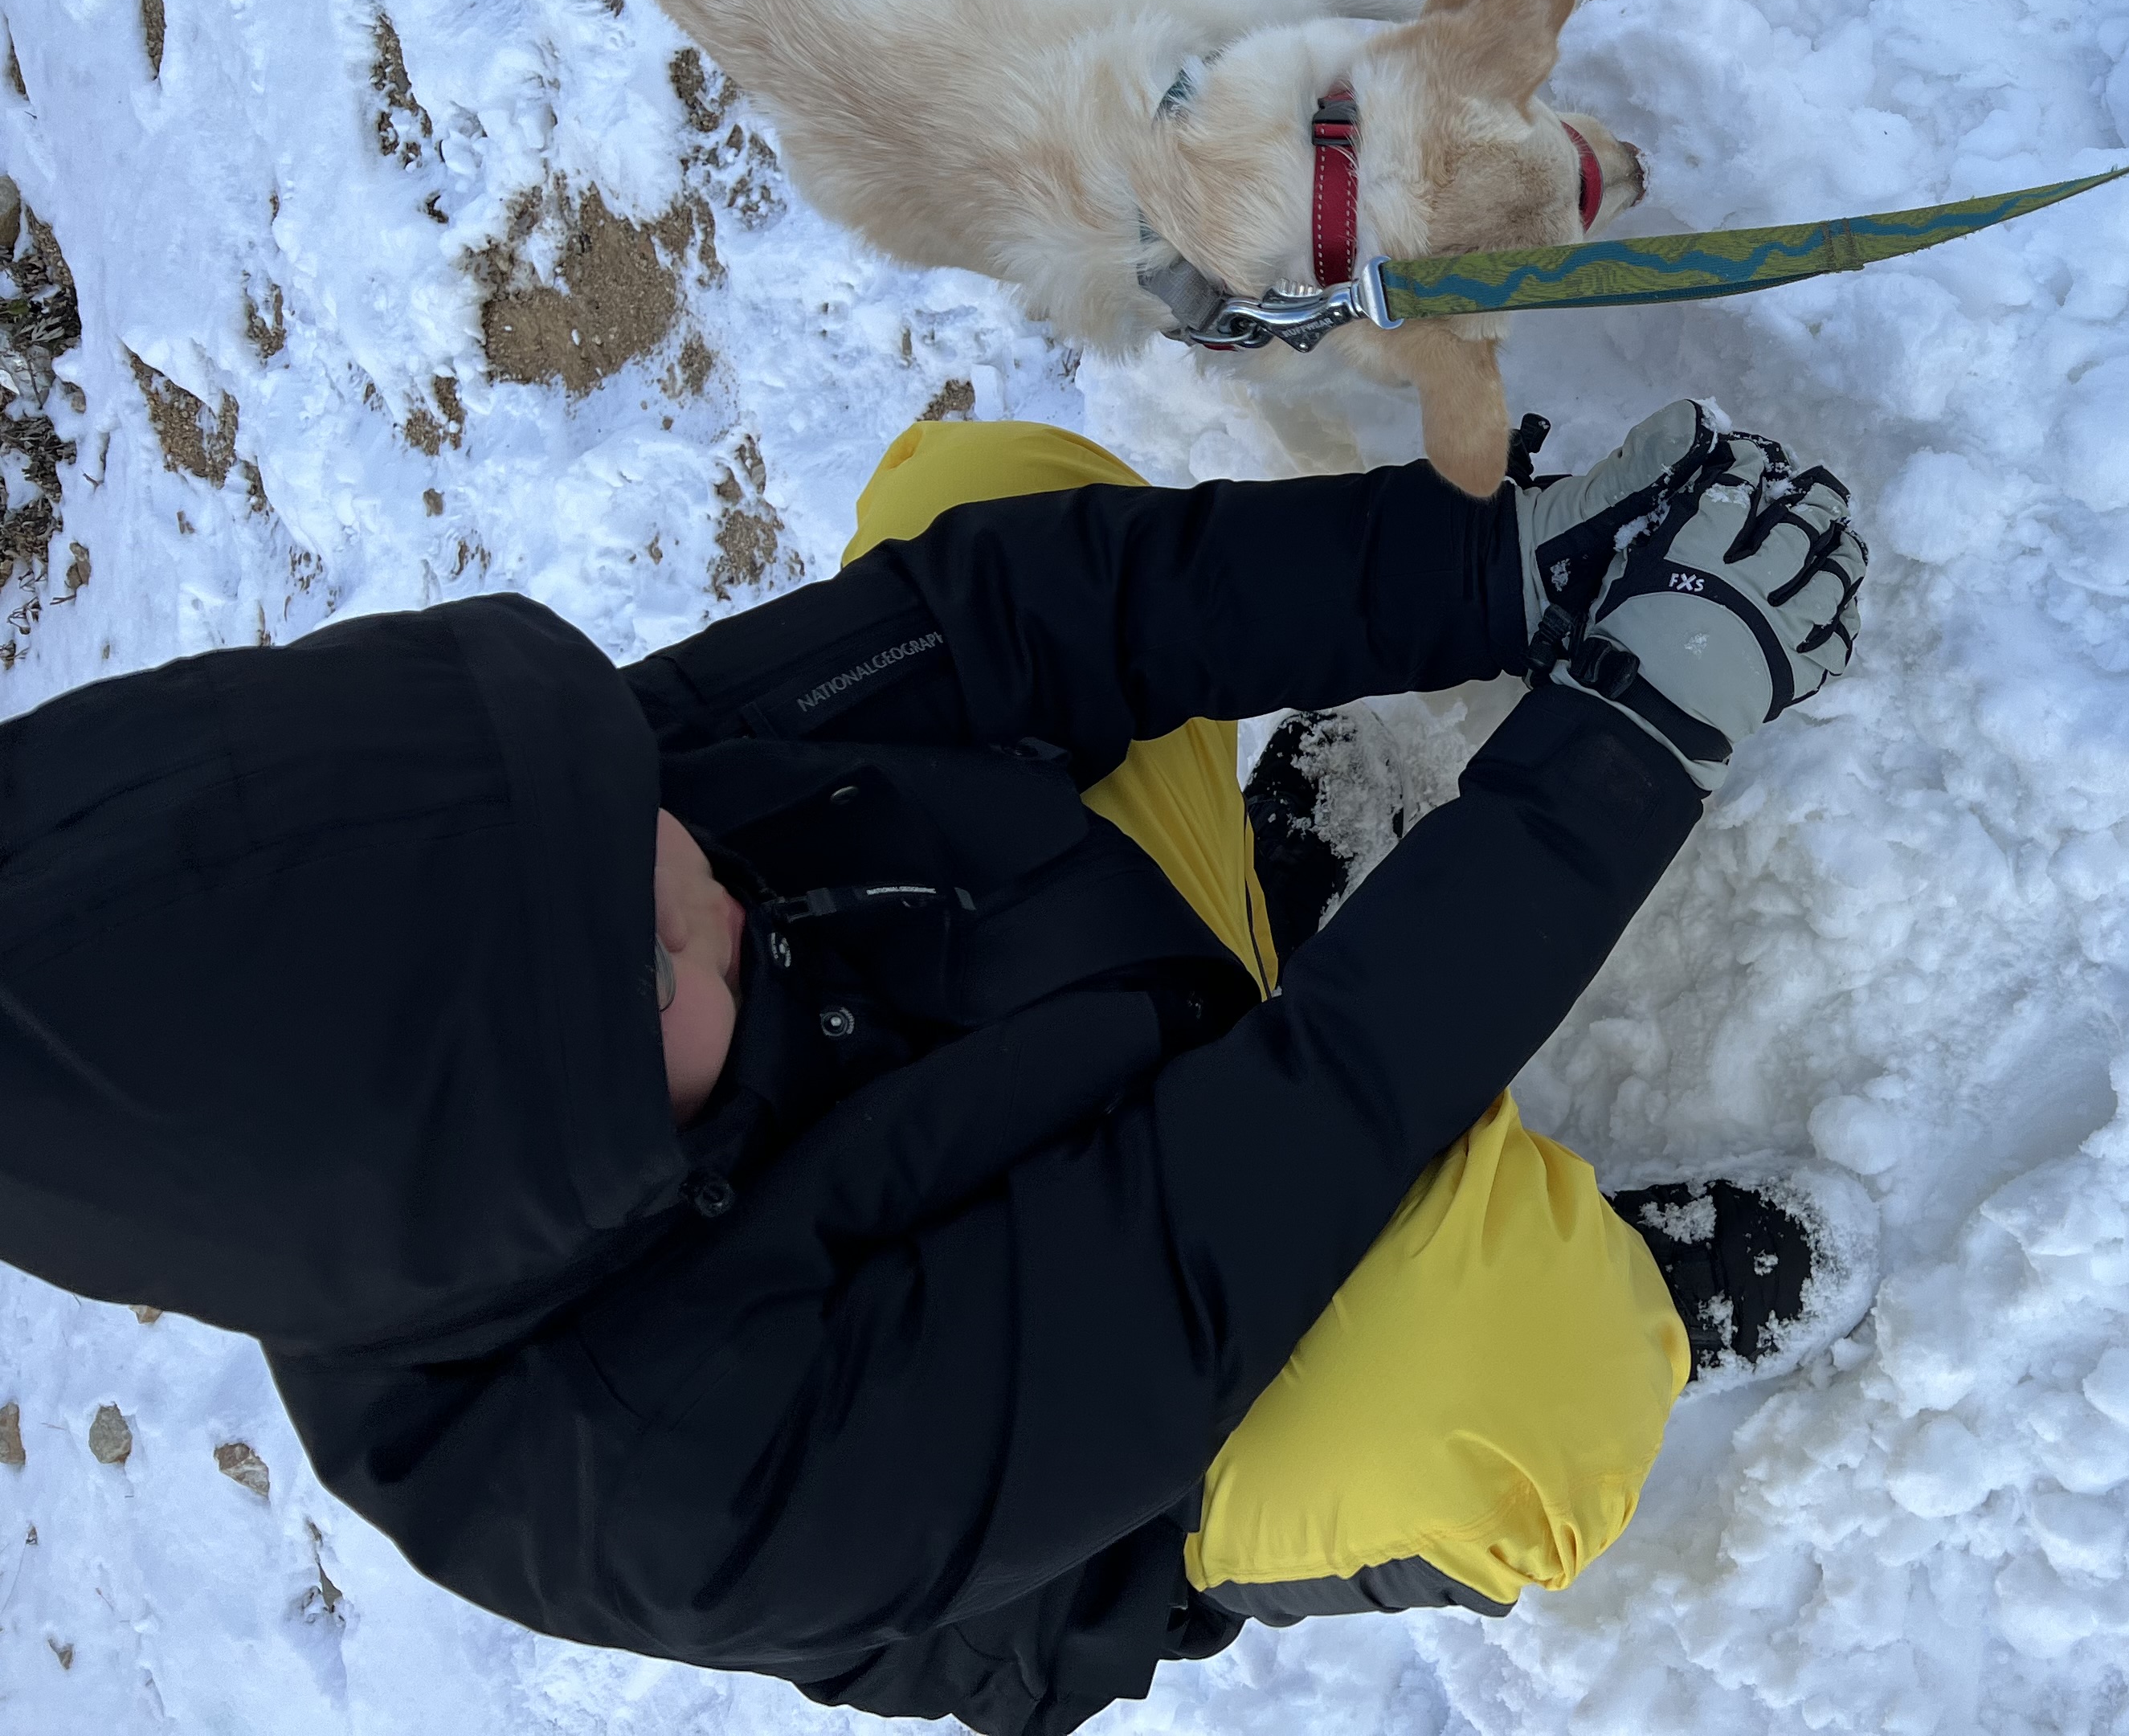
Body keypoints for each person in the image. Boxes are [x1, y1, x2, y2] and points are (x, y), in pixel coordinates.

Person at [0, 400, 1865, 1732]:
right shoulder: (677, 1473)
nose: (687, 861)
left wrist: (1501, 568)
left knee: (980, 483)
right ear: (538, 1159)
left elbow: (1017, 615)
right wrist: (1633, 728)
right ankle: (1603, 1317)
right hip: (1118, 1436)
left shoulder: (565, 851)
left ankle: (1262, 938)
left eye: (611, 793)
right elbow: (1241, 1195)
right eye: (646, 956)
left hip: (1065, 1011)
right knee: (1515, 1373)